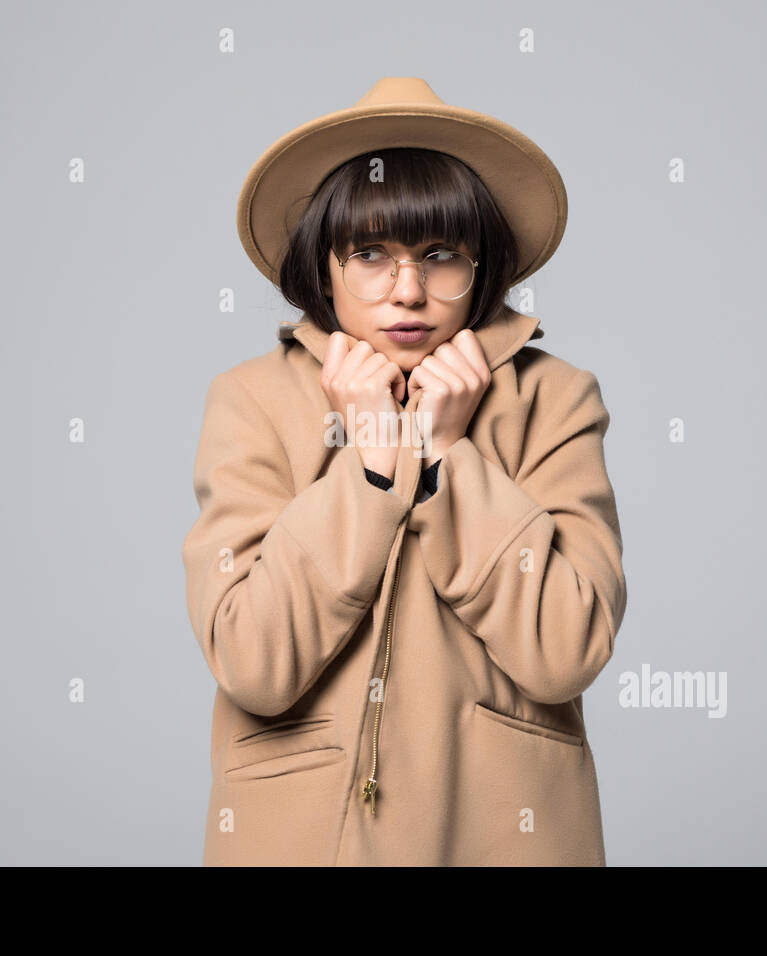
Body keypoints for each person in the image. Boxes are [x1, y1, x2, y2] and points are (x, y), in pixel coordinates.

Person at [182, 77, 628, 865]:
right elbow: (253, 662)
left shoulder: (555, 399)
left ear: (480, 263)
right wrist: (372, 465)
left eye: (440, 255)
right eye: (369, 256)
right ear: (323, 269)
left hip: (501, 835)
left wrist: (450, 455)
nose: (410, 291)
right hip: (306, 839)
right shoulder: (250, 400)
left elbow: (566, 650)